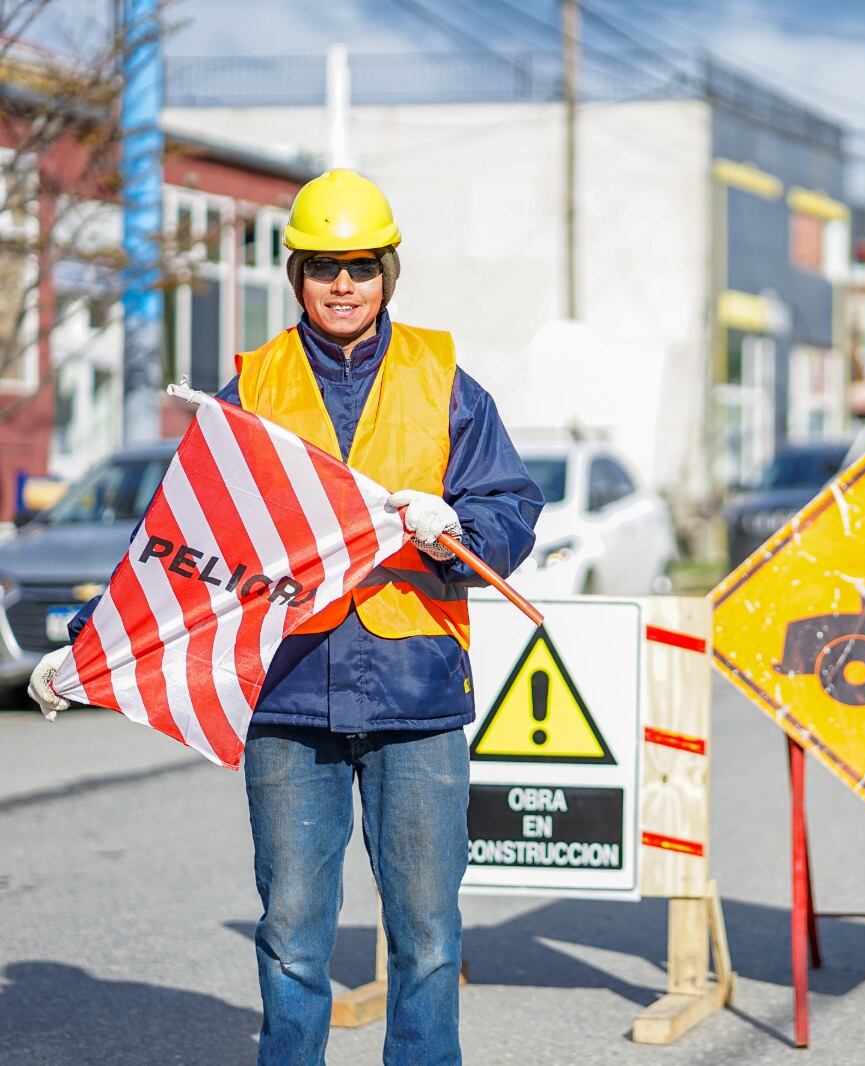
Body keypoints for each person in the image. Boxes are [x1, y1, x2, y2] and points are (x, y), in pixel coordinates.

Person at [29, 168, 543, 1066]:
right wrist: (87, 644)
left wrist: (454, 527)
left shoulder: (445, 382)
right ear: (296, 274)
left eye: (360, 265)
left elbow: (512, 510)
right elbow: (177, 538)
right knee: (293, 938)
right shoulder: (252, 391)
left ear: (388, 272)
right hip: (288, 698)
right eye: (321, 266)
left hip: (416, 698)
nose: (342, 284)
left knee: (427, 939)